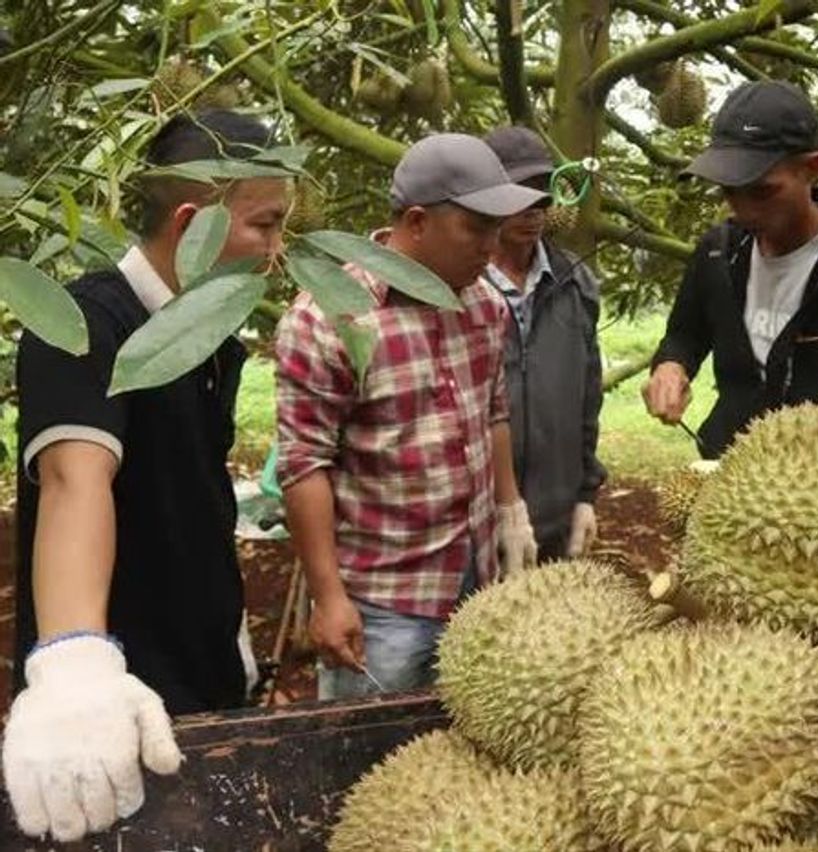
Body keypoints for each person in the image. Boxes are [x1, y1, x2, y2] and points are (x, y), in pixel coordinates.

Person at [5, 110, 289, 842]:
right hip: (114, 701)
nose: (279, 251)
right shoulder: (80, 325)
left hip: (206, 679)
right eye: (265, 225)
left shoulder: (212, 340)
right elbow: (75, 480)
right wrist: (74, 665)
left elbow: (188, 497)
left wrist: (230, 635)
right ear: (191, 223)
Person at [274, 133, 543, 701]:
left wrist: (510, 508)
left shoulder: (484, 305)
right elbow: (304, 465)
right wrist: (328, 596)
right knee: (369, 767)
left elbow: (493, 410)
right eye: (476, 228)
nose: (491, 247)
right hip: (382, 600)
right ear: (417, 222)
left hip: (476, 583)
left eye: (497, 229)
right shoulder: (330, 317)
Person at [642, 81, 818, 458]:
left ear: (813, 169)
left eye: (761, 191)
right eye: (729, 190)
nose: (742, 209)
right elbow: (685, 334)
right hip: (728, 471)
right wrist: (671, 366)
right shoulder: (716, 253)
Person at [482, 126, 606, 561]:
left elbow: (587, 396)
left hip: (555, 520)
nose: (534, 208)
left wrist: (586, 493)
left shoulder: (576, 282)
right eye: (519, 193)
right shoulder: (457, 289)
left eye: (543, 191)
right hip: (476, 525)